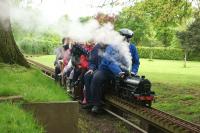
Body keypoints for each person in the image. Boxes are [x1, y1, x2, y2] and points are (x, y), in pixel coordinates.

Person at [90, 28, 140, 113]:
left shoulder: (132, 48)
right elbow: (110, 61)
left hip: (123, 71)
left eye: (128, 39)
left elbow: (136, 62)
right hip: (106, 70)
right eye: (125, 38)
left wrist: (133, 72)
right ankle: (96, 104)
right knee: (96, 78)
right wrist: (119, 72)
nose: (127, 41)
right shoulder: (112, 46)